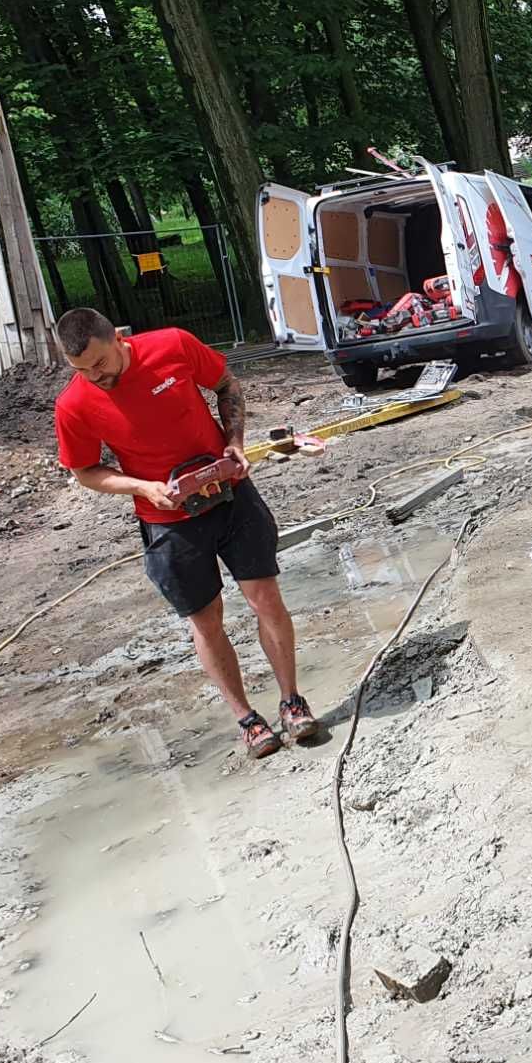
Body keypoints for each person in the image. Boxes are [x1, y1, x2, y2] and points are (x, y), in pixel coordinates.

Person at [52, 308, 321, 758]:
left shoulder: (173, 346)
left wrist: (234, 443)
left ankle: (292, 702)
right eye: (82, 370)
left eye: (100, 363)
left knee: (266, 599)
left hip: (231, 495)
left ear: (118, 338)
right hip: (168, 521)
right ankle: (248, 721)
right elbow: (85, 472)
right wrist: (142, 487)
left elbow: (227, 384)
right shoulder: (74, 405)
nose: (95, 377)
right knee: (206, 620)